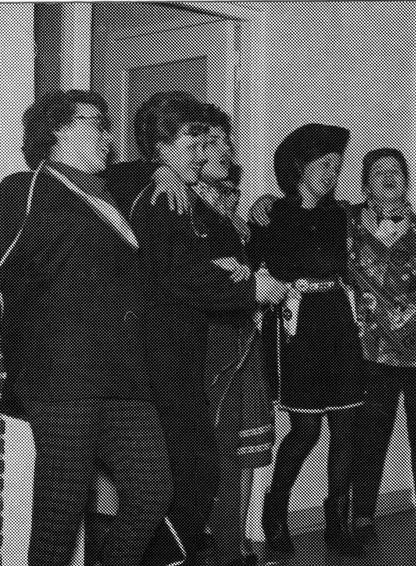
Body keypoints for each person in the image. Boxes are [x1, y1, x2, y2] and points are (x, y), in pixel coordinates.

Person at [0, 89, 172, 566]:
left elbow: (146, 170)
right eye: (95, 125)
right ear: (55, 132)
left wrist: (164, 171)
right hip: (61, 378)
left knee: (152, 492)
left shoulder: (106, 193)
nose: (107, 137)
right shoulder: (24, 189)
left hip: (124, 378)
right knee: (61, 513)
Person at [129, 91, 286, 565]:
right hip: (168, 354)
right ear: (163, 148)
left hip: (185, 349)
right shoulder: (163, 197)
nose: (206, 153)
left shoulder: (180, 195)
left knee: (196, 471)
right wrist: (249, 288)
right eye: (194, 143)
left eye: (207, 143)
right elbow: (179, 276)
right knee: (189, 473)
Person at [248, 124, 365, 557]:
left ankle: (337, 522)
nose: (333, 174)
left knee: (347, 428)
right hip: (298, 327)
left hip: (337, 319)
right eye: (324, 165)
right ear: (299, 166)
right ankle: (275, 512)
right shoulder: (272, 215)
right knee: (306, 430)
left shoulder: (344, 215)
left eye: (337, 166)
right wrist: (260, 206)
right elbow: (255, 270)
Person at [346, 148, 416, 551]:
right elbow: (301, 211)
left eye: (396, 173)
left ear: (406, 182)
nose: (389, 179)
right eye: (379, 173)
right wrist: (265, 203)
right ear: (365, 184)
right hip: (372, 350)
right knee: (370, 435)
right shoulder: (348, 227)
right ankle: (362, 515)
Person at [195, 104, 274, 566]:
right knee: (217, 445)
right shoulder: (177, 201)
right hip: (209, 341)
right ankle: (218, 542)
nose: (223, 150)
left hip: (244, 336)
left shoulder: (234, 207)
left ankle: (237, 538)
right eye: (211, 142)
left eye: (226, 140)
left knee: (245, 446)